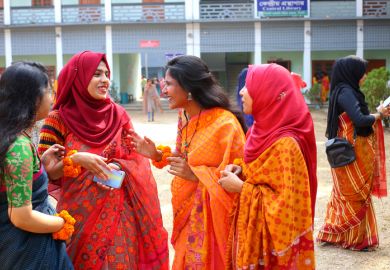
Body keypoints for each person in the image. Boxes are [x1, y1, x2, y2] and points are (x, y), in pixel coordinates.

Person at [38, 51, 169, 269]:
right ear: (78, 77)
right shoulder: (58, 119)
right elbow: (45, 173)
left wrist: (118, 166)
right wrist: (77, 160)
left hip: (119, 211)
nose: (105, 79)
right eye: (96, 74)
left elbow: (135, 156)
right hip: (78, 215)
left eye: (107, 74)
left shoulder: (118, 114)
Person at [131, 55, 247, 269]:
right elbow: (183, 156)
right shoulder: (184, 116)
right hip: (187, 211)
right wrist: (157, 155)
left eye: (169, 84)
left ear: (189, 88)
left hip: (214, 221)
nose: (164, 91)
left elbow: (239, 178)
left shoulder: (225, 125)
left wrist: (196, 175)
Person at [219, 64, 318, 269]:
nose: (241, 91)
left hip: (272, 247)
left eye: (249, 87)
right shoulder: (257, 129)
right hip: (251, 232)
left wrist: (240, 188)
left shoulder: (286, 145)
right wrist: (241, 170)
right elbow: (260, 172)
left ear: (268, 93)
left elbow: (286, 207)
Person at [0, 62, 74, 269]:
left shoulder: (10, 138)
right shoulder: (18, 147)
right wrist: (62, 223)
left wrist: (39, 167)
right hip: (26, 249)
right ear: (32, 97)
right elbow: (22, 216)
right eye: (49, 90)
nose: (53, 97)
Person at [317, 55, 390, 251]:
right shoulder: (347, 92)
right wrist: (379, 115)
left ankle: (338, 234)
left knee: (345, 193)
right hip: (353, 151)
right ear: (352, 72)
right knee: (355, 194)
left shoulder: (342, 91)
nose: (364, 75)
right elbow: (360, 120)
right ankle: (355, 239)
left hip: (347, 149)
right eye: (362, 71)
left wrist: (374, 115)